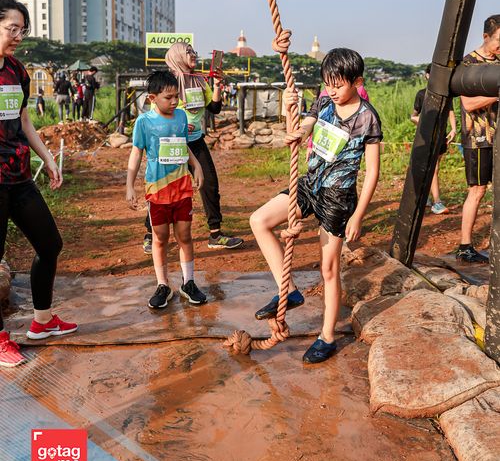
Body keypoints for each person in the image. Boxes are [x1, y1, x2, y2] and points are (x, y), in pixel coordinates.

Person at [250, 48, 382, 364]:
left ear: (357, 82)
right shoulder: (323, 102)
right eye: (327, 84)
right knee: (259, 220)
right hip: (309, 185)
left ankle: (327, 337)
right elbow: (303, 131)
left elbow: (373, 172)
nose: (332, 91)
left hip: (338, 198)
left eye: (338, 85)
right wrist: (291, 116)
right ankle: (289, 290)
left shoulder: (367, 117)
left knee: (328, 269)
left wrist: (358, 216)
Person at [0, 0, 77, 368]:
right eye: (11, 29)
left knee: (50, 243)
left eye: (22, 30)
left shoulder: (17, 70)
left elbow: (24, 120)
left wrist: (47, 158)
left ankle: (42, 321)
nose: (18, 37)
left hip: (18, 176)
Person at [142, 42, 243, 253]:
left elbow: (214, 108)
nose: (193, 54)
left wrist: (217, 86)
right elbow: (154, 113)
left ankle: (215, 234)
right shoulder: (167, 83)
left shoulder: (199, 80)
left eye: (193, 51)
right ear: (178, 56)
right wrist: (176, 124)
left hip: (195, 141)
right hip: (170, 142)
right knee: (163, 187)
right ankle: (151, 234)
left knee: (209, 184)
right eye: (188, 52)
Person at [126, 70, 206, 308]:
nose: (174, 102)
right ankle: (163, 285)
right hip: (158, 189)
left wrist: (197, 165)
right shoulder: (144, 122)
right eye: (168, 97)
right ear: (152, 98)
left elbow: (184, 145)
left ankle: (188, 282)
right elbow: (136, 153)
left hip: (182, 187)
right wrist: (129, 185)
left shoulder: (181, 116)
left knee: (185, 235)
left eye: (176, 97)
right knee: (160, 237)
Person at [456, 15, 500, 263]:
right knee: (478, 190)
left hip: (498, 137)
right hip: (478, 138)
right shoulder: (469, 63)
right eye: (499, 40)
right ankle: (465, 246)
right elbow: (468, 104)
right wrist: (496, 96)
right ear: (486, 37)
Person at [411, 64, 457, 215]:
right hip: (426, 137)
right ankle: (437, 202)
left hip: (441, 136)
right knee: (434, 168)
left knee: (434, 168)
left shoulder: (445, 94)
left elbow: (450, 111)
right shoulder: (421, 94)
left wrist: (454, 129)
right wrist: (422, 121)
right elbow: (413, 116)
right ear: (427, 76)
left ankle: (425, 197)